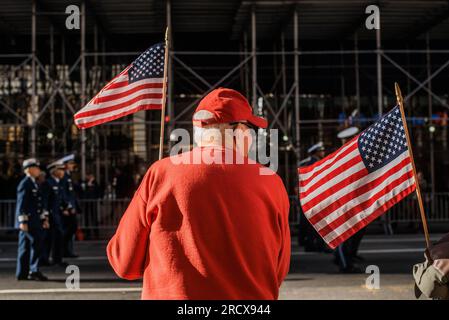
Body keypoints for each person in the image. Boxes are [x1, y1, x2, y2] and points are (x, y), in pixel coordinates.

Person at [107, 88, 291, 299]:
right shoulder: (271, 181)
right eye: (251, 130)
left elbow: (124, 262)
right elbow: (278, 270)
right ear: (240, 130)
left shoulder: (161, 173)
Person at [333, 126, 364, 273]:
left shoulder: (352, 157)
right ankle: (345, 264)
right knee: (344, 235)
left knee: (356, 232)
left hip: (353, 201)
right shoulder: (340, 158)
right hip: (344, 203)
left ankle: (347, 258)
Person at [15, 158, 49, 281]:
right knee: (36, 244)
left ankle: (22, 273)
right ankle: (33, 270)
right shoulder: (25, 183)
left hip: (34, 220)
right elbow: (21, 204)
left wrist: (44, 218)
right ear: (29, 169)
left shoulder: (33, 183)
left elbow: (39, 204)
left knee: (25, 247)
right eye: (36, 168)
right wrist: (23, 221)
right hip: (29, 221)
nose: (38, 170)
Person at [298, 142, 330, 252]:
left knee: (312, 222)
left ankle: (312, 244)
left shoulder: (316, 162)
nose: (323, 152)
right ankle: (313, 244)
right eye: (321, 151)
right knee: (313, 223)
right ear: (315, 152)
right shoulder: (310, 163)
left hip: (313, 196)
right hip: (310, 197)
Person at [41, 160, 70, 267]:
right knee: (48, 238)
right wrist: (45, 216)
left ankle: (56, 259)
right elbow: (45, 201)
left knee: (57, 237)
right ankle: (46, 259)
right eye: (60, 170)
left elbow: (59, 199)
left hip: (57, 215)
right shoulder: (48, 183)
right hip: (50, 215)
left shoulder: (58, 183)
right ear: (54, 171)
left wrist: (64, 208)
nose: (63, 172)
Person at [59, 154, 79, 258]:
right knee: (67, 230)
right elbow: (64, 194)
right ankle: (65, 251)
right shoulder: (64, 177)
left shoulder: (68, 176)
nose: (73, 165)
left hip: (71, 208)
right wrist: (67, 207)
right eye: (71, 163)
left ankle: (68, 251)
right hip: (67, 209)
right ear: (66, 165)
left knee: (71, 230)